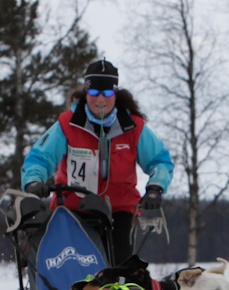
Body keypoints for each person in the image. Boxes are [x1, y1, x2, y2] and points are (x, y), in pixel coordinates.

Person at [21, 58, 173, 265]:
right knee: (75, 268)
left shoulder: (133, 127)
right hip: (74, 208)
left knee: (117, 271)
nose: (100, 99)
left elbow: (160, 160)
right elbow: (40, 157)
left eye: (107, 93)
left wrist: (155, 187)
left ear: (115, 94)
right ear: (86, 93)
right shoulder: (67, 123)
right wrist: (33, 181)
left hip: (119, 210)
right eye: (94, 92)